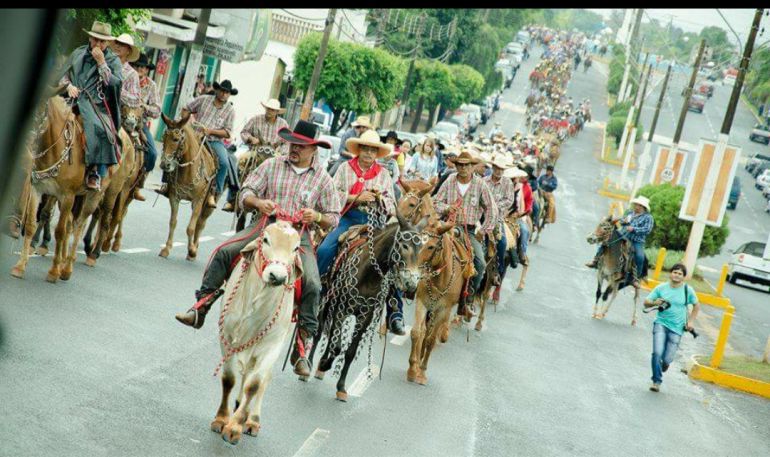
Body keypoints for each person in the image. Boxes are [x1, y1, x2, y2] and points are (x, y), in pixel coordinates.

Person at [174, 120, 342, 378]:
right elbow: (247, 191)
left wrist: (317, 217)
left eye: (301, 146)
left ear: (313, 150)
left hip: (299, 236)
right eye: (292, 143)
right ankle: (201, 307)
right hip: (265, 226)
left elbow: (333, 216)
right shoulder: (272, 164)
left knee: (313, 284)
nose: (294, 149)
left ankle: (302, 346)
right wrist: (258, 202)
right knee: (224, 251)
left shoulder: (323, 178)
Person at [316, 130, 404, 335]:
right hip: (349, 218)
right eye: (366, 149)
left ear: (377, 153)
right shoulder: (345, 168)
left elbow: (392, 202)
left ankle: (395, 313)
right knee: (325, 249)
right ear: (360, 150)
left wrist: (378, 199)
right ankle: (317, 292)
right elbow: (332, 194)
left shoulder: (383, 174)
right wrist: (355, 197)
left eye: (373, 150)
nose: (369, 153)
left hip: (375, 223)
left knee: (395, 258)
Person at [433, 150, 498, 318]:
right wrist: (447, 208)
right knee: (427, 247)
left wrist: (483, 230)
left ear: (472, 167)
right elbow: (436, 202)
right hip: (447, 225)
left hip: (469, 229)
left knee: (480, 263)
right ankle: (416, 285)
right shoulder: (449, 180)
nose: (463, 168)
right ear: (456, 166)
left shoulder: (480, 185)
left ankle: (467, 299)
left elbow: (492, 209)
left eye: (466, 165)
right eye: (460, 165)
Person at [59, 21, 123, 191]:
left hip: (97, 104)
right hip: (71, 98)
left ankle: (94, 170)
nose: (98, 44)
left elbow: (114, 84)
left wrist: (102, 63)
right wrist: (68, 86)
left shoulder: (113, 60)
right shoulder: (78, 53)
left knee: (99, 128)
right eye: (95, 39)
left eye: (103, 41)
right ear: (90, 38)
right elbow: (63, 75)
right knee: (47, 114)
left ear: (108, 42)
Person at [161, 80, 240, 209]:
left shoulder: (230, 110)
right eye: (222, 91)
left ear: (229, 94)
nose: (224, 94)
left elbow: (227, 132)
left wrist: (210, 131)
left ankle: (213, 193)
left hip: (214, 141)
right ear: (217, 90)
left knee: (224, 163)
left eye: (227, 92)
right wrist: (187, 123)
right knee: (174, 149)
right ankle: (167, 184)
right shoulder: (204, 99)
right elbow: (186, 109)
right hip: (195, 137)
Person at [643, 263, 700, 392]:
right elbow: (646, 303)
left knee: (667, 358)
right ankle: (656, 381)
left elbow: (696, 306)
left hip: (677, 329)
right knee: (657, 353)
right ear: (670, 274)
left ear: (684, 277)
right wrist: (654, 302)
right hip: (661, 324)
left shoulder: (688, 290)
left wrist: (691, 321)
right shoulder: (661, 288)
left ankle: (665, 364)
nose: (677, 275)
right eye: (675, 272)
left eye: (680, 274)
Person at [228, 98, 290, 212]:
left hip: (274, 154)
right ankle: (232, 198)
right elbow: (244, 132)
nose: (269, 111)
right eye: (268, 109)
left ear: (277, 112)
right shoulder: (256, 119)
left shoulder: (283, 124)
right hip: (256, 151)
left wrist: (280, 152)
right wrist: (251, 138)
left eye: (272, 110)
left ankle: (279, 203)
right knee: (239, 161)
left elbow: (287, 142)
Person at [586, 196, 654, 288]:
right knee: (607, 241)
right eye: (635, 204)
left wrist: (634, 228)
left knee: (639, 256)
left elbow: (647, 229)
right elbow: (622, 221)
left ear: (643, 207)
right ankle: (595, 260)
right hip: (623, 235)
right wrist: (623, 221)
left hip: (636, 240)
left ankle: (636, 279)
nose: (636, 206)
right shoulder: (630, 212)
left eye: (638, 205)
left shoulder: (648, 217)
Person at [130, 52, 161, 202]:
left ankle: (138, 185)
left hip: (140, 124)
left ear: (147, 70)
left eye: (142, 67)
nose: (139, 69)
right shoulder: (126, 78)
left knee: (153, 154)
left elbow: (157, 110)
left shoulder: (152, 86)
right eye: (136, 66)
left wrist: (144, 106)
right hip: (121, 118)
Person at [485, 154, 516, 284]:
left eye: (501, 169)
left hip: (497, 218)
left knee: (502, 242)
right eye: (497, 168)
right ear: (493, 167)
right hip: (482, 216)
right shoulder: (484, 181)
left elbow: (509, 200)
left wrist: (495, 206)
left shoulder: (507, 183)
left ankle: (498, 269)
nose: (499, 171)